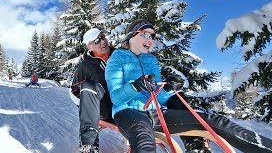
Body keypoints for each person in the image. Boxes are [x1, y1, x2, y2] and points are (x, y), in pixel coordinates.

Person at [105, 19, 272, 153]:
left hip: (155, 112)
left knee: (211, 120)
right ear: (131, 36)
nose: (151, 40)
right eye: (145, 35)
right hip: (128, 112)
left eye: (153, 36)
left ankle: (265, 147)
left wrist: (168, 89)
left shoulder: (151, 60)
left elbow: (157, 96)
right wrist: (135, 86)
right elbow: (116, 97)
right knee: (144, 140)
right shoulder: (117, 58)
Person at [70, 28, 114, 153]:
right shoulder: (86, 66)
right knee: (90, 88)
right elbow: (74, 90)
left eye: (103, 37)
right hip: (102, 108)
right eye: (97, 41)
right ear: (89, 47)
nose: (103, 42)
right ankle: (89, 146)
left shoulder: (119, 55)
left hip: (122, 103)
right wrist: (88, 107)